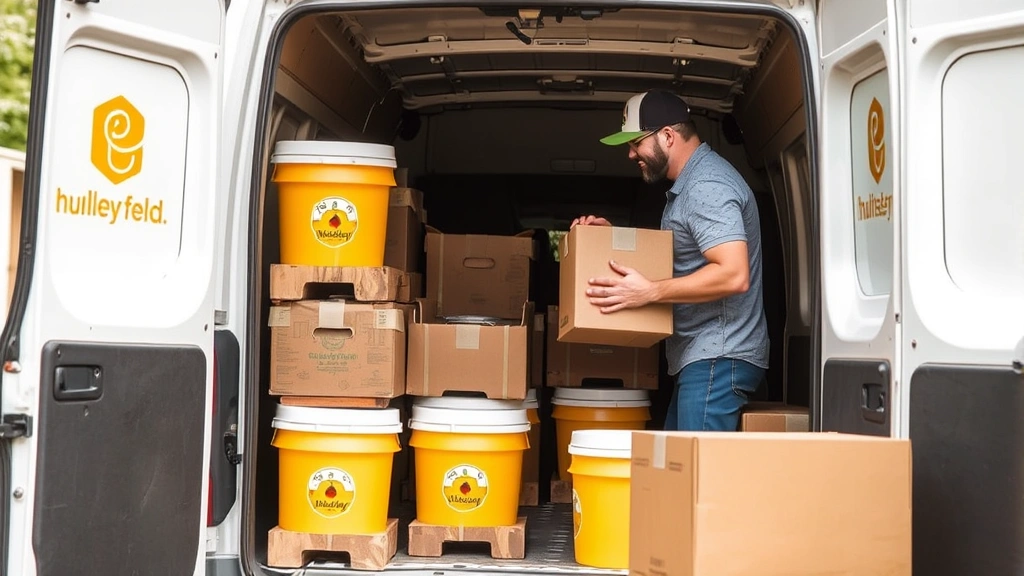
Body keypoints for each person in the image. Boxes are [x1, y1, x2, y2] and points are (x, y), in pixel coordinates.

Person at [572, 89, 769, 432]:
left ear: (667, 135)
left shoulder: (707, 185)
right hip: (704, 359)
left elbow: (734, 274)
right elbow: (683, 263)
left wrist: (648, 293)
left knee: (695, 480)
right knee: (676, 472)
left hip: (718, 358)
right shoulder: (690, 184)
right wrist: (609, 239)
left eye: (636, 143)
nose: (631, 154)